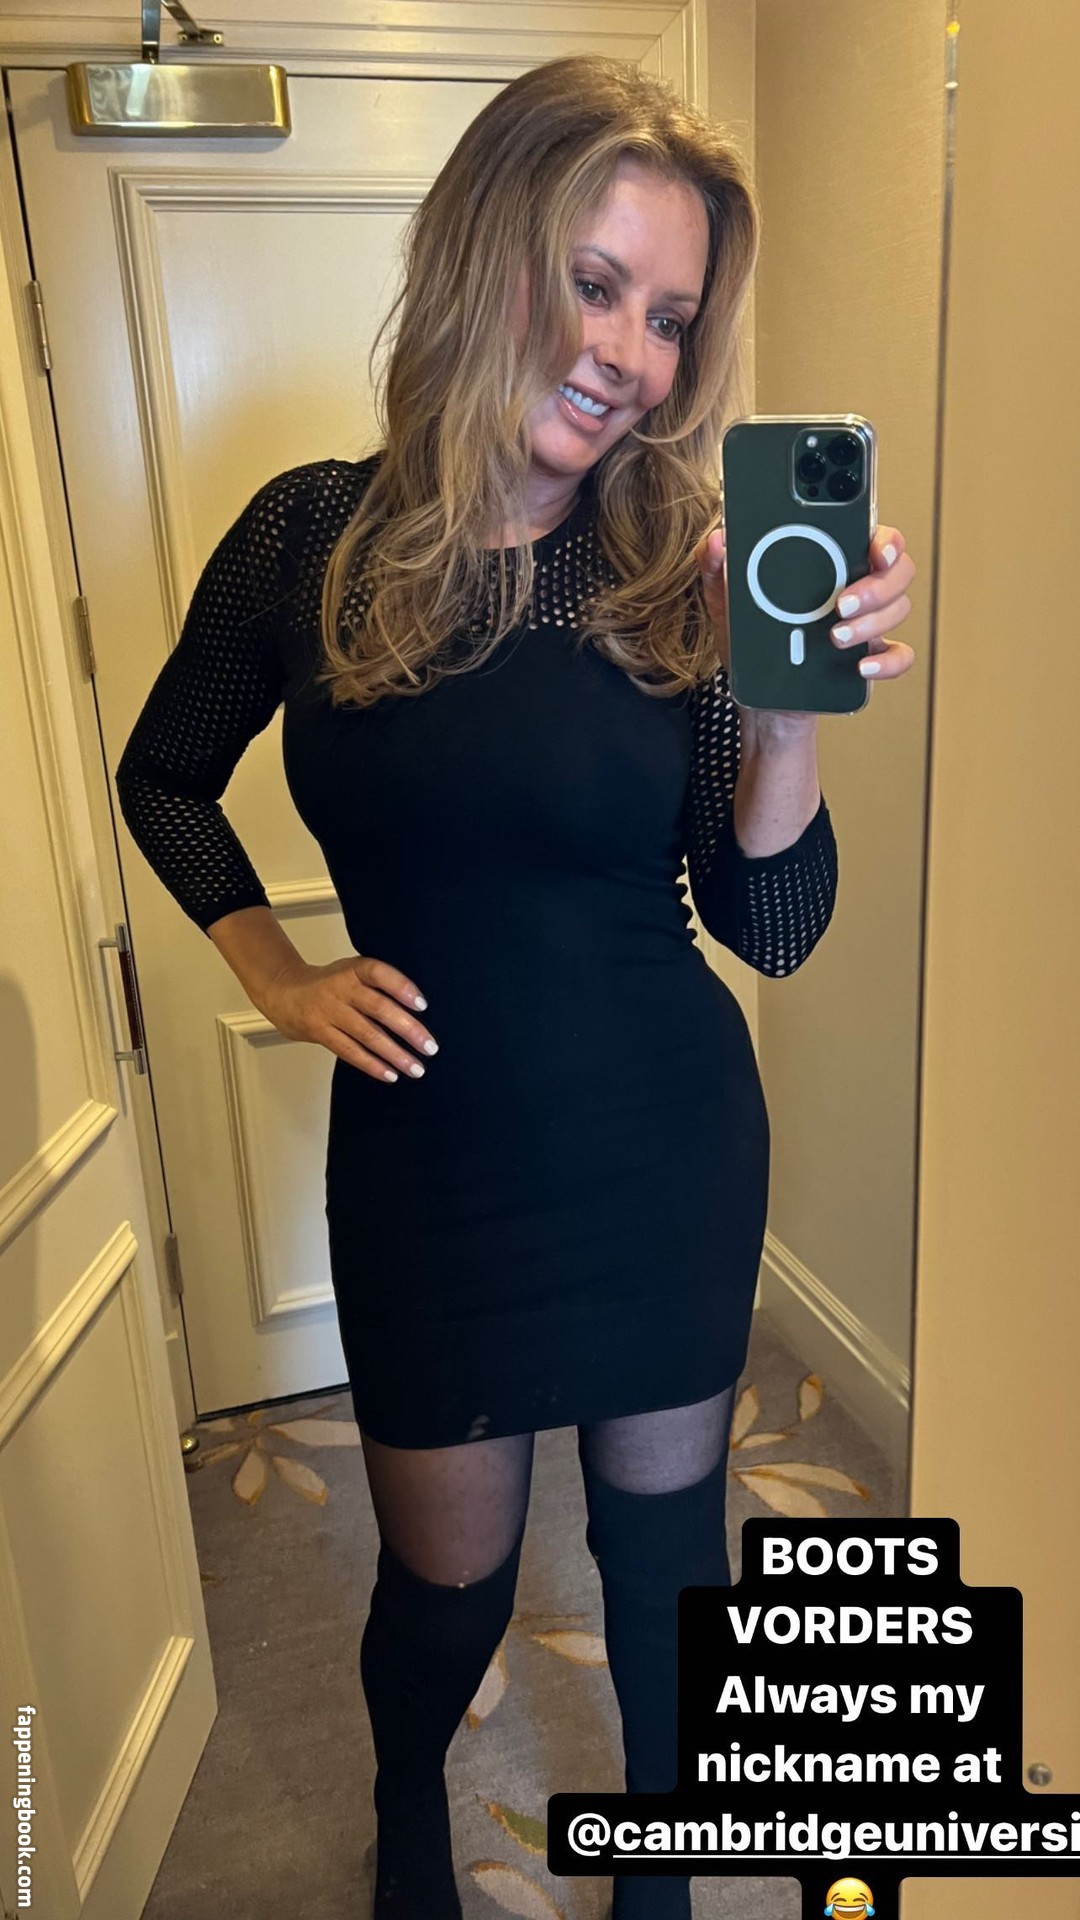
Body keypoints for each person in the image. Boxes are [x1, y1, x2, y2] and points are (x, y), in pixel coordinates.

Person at [115, 53, 915, 1920]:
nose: (630, 352)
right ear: (490, 251)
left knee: (664, 1568)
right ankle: (410, 1810)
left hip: (663, 1156)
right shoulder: (311, 537)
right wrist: (278, 971)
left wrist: (788, 719)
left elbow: (771, 924)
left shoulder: (669, 570)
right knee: (447, 1591)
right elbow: (162, 774)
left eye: (670, 316)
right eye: (595, 282)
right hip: (433, 1171)